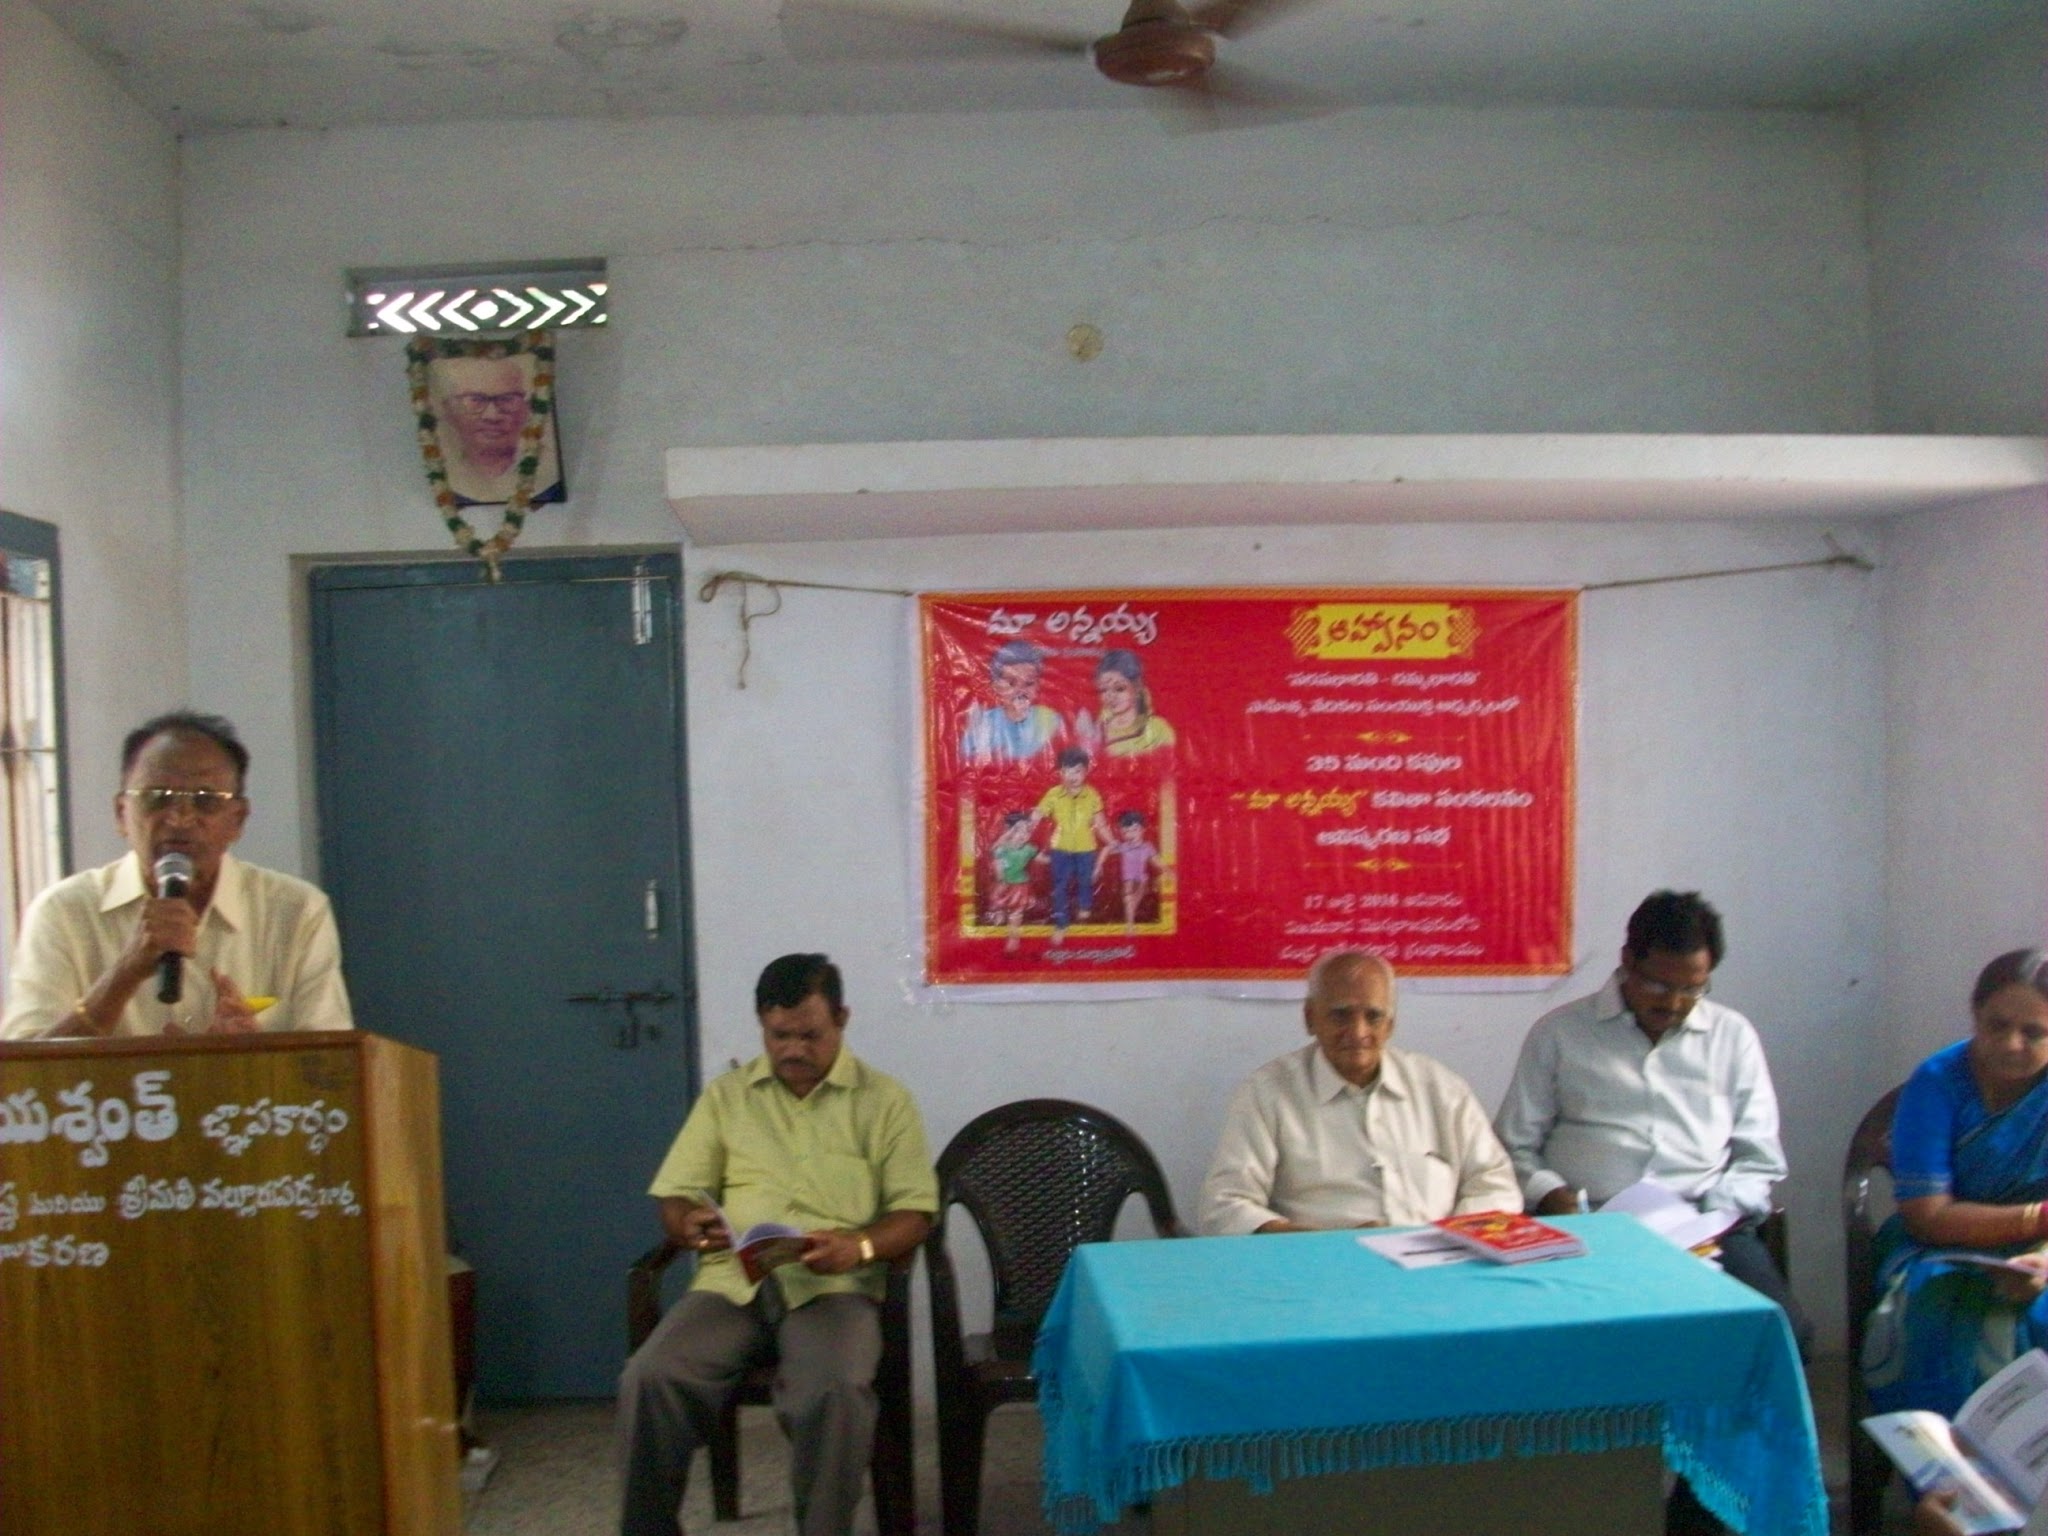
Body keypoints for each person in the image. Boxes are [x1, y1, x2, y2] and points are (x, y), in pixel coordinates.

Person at [617, 953, 937, 1536]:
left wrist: (859, 1248)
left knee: (832, 1393)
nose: (793, 1050)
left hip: (833, 1288)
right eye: (778, 1035)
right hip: (732, 1284)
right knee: (651, 1377)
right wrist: (688, 1224)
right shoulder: (728, 1097)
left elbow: (915, 1213)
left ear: (842, 1019)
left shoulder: (884, 1101)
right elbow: (676, 1195)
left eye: (809, 1035)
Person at [1493, 891, 1807, 1345]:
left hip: (1707, 1224)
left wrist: (1711, 1215)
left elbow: (1759, 1159)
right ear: (1627, 962)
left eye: (1692, 989)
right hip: (1591, 1225)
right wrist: (1549, 1192)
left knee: (1782, 1334)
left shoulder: (1732, 1036)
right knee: (1567, 1342)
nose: (1674, 1003)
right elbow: (1512, 1145)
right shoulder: (1560, 1033)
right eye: (1659, 986)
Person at [1, 711, 353, 1038]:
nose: (180, 817)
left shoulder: (296, 912)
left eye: (205, 800)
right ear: (121, 814)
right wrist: (124, 974)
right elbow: (25, 1070)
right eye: (157, 797)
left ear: (237, 820)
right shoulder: (64, 912)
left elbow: (334, 1067)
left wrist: (250, 1057)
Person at [1200, 950, 1521, 1232]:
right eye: (1341, 1015)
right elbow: (1224, 1204)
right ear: (1310, 1018)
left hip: (1437, 1263)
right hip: (1319, 1267)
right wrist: (1316, 1244)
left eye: (1373, 1016)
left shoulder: (1441, 1089)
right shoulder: (1267, 1094)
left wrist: (1450, 1238)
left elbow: (1496, 1186)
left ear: (1390, 1024)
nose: (1358, 1032)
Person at [1861, 948, 2048, 1419]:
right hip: (1940, 1247)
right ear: (1975, 1015)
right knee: (1931, 1310)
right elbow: (1928, 1216)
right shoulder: (1937, 1082)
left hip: (2042, 1250)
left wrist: (2042, 1260)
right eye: (1997, 1026)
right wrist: (2036, 1217)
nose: (2011, 1044)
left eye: (2033, 1033)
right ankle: (1941, 1461)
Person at [429, 352, 559, 506]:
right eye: (475, 400)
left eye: (507, 400)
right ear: (449, 410)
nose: (492, 416)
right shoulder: (444, 469)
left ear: (527, 409)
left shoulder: (548, 468)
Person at [1029, 747, 1113, 944]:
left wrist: (1111, 840)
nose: (1072, 776)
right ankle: (1061, 924)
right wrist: (1024, 828)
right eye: (1067, 771)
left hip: (1086, 848)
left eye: (1077, 771)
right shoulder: (1053, 794)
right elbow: (1037, 815)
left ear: (1086, 771)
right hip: (1061, 848)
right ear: (1060, 772)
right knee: (1060, 886)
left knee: (1086, 880)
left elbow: (1100, 824)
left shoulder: (1092, 795)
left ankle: (1084, 906)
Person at [958, 640, 1063, 761]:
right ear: (996, 686)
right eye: (1011, 683)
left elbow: (1058, 756)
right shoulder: (984, 722)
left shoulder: (1049, 718)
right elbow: (967, 761)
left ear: (1038, 685)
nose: (1020, 690)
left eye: (1029, 683)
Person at [1082, 648, 1174, 757]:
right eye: (1104, 690)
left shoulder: (1158, 730)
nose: (1111, 697)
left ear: (1137, 686)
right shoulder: (1098, 731)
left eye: (1119, 689)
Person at [1097, 808, 1165, 934]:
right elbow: (1107, 849)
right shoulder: (1124, 847)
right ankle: (1130, 925)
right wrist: (1099, 864)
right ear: (1122, 833)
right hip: (1128, 880)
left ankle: (1130, 920)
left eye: (1134, 830)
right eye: (1126, 831)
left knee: (1134, 900)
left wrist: (1167, 870)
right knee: (1128, 899)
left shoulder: (1147, 847)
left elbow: (1157, 860)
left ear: (1142, 829)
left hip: (1142, 880)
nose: (1131, 834)